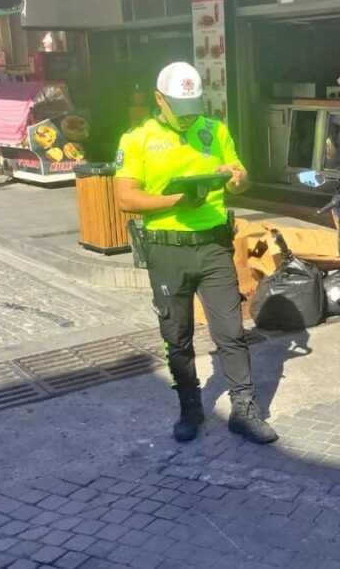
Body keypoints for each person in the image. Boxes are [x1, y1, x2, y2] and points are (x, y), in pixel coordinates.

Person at [113, 62, 278, 445]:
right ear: (159, 100)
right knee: (177, 335)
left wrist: (239, 178)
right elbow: (125, 197)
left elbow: (240, 179)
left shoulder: (214, 129)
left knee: (232, 332)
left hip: (214, 246)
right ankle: (190, 408)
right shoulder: (137, 138)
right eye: (179, 110)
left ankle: (244, 410)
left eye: (193, 109)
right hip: (167, 250)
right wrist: (179, 200)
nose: (188, 119)